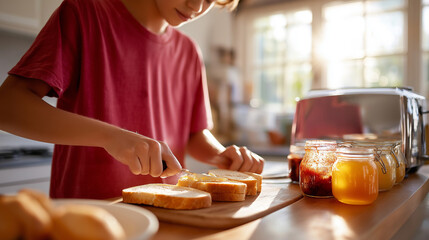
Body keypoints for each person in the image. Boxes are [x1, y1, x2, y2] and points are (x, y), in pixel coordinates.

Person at [0, 0, 264, 199]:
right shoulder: (84, 12)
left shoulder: (189, 52)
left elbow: (194, 134)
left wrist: (220, 155)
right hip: (87, 215)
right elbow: (8, 106)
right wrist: (112, 137)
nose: (196, 6)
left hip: (167, 217)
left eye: (210, 0)